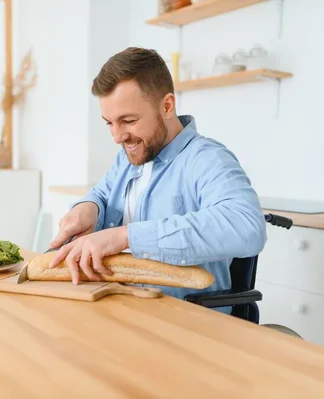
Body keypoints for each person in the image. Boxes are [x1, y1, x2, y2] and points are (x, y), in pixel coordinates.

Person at [48, 47, 267, 313]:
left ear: (167, 106)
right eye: (109, 123)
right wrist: (89, 207)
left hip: (185, 325)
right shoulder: (129, 156)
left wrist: (126, 237)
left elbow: (246, 226)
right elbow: (103, 194)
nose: (117, 136)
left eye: (128, 120)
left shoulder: (206, 159)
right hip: (122, 312)